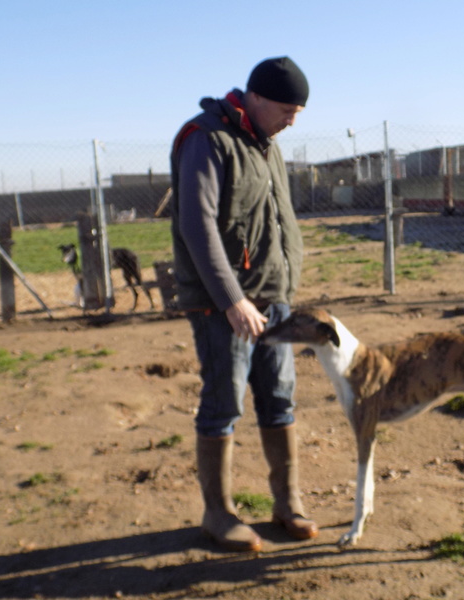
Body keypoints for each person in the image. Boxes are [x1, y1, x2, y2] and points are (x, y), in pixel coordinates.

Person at [169, 56, 317, 553]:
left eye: (298, 111)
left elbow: (276, 218)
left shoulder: (267, 143)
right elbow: (197, 225)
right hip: (223, 307)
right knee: (223, 405)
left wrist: (285, 283)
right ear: (254, 97)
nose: (292, 119)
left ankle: (287, 502)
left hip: (274, 300)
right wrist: (232, 299)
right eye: (286, 108)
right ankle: (218, 513)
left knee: (279, 397)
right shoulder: (207, 139)